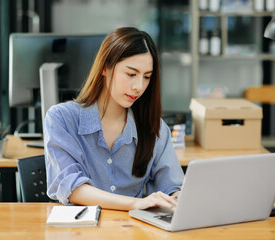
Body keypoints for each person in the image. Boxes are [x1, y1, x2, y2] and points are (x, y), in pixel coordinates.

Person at [44, 27, 184, 211]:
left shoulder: (155, 128)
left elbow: (172, 187)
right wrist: (136, 203)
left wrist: (179, 198)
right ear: (105, 67)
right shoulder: (61, 118)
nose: (139, 86)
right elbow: (72, 188)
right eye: (131, 74)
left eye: (147, 77)